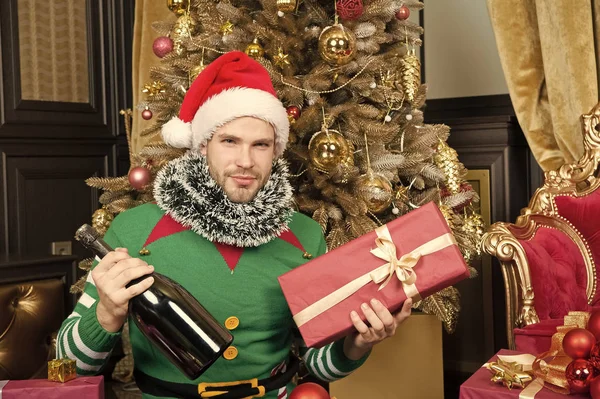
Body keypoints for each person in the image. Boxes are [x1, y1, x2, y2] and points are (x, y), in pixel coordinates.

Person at [55, 51, 412, 399]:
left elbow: (316, 363)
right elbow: (68, 363)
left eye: (260, 145)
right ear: (202, 145)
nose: (245, 161)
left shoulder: (305, 235)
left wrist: (356, 343)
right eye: (229, 141)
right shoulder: (134, 229)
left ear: (275, 152)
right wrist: (106, 314)